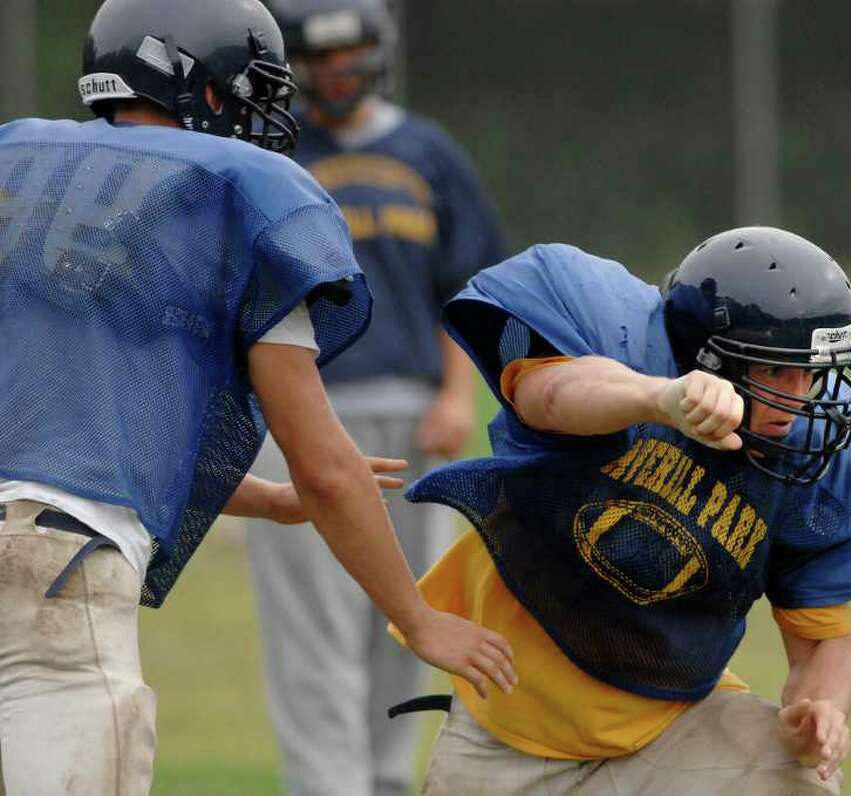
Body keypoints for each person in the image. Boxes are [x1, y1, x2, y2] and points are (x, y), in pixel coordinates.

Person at [0, 1, 513, 793]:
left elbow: (72, 442)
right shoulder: (241, 190)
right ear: (204, 89)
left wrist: (267, 501)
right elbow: (326, 466)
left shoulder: (17, 161)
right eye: (249, 90)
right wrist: (416, 619)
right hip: (59, 568)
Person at [391, 227, 851, 795]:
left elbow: (824, 639)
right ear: (710, 358)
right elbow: (550, 395)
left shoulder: (818, 465)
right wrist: (658, 399)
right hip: (508, 730)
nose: (799, 398)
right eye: (776, 371)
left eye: (811, 373)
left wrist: (820, 710)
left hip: (672, 724)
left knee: (796, 780)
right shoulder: (622, 351)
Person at [246, 1, 505, 793]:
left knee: (411, 610)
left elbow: (465, 291)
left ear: (377, 52)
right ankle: (327, 784)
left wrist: (456, 396)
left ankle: (390, 780)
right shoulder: (271, 153)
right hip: (301, 415)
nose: (335, 71)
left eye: (349, 52)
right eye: (317, 58)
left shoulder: (428, 152)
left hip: (414, 414)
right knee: (313, 623)